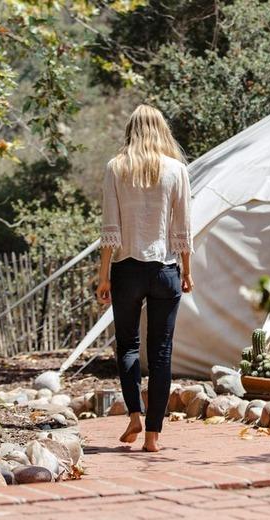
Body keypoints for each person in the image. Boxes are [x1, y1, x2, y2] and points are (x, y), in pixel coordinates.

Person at [95, 104, 194, 453]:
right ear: (161, 129)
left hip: (126, 268)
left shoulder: (116, 168)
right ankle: (153, 436)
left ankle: (135, 413)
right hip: (165, 269)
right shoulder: (176, 170)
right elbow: (183, 227)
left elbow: (110, 226)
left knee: (127, 345)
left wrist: (103, 274)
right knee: (162, 352)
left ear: (131, 130)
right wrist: (187, 269)